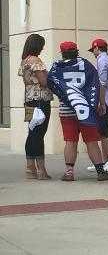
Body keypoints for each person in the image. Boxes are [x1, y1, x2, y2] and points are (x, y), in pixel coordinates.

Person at [47, 41, 108, 182]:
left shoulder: (57, 66)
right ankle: (101, 172)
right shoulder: (86, 64)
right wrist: (101, 103)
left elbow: (50, 83)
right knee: (92, 141)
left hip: (67, 111)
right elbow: (97, 83)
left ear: (62, 53)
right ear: (76, 51)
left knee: (70, 141)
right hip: (86, 109)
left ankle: (69, 173)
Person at [18, 34, 54, 180]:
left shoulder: (24, 60)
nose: (43, 48)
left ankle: (30, 168)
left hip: (29, 101)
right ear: (37, 46)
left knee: (32, 132)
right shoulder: (36, 60)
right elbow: (44, 81)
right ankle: (41, 170)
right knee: (39, 134)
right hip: (40, 101)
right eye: (42, 45)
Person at [85, 38, 108, 173]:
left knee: (102, 132)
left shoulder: (102, 60)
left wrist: (101, 102)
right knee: (103, 130)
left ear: (97, 48)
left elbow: (102, 83)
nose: (93, 53)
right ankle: (103, 162)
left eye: (93, 50)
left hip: (106, 100)